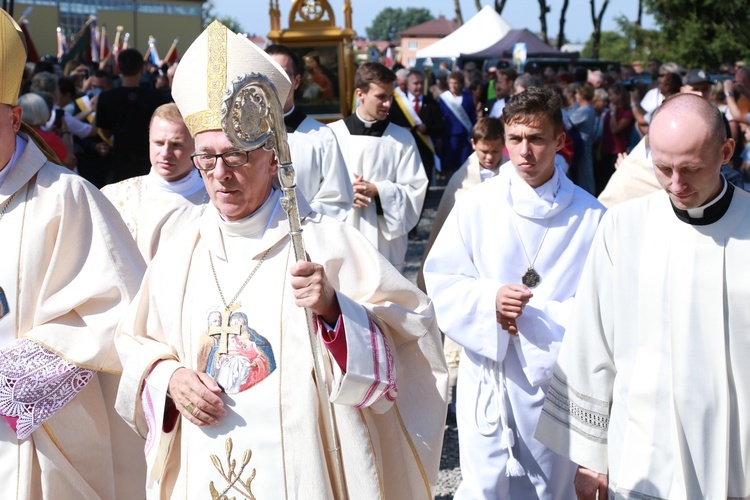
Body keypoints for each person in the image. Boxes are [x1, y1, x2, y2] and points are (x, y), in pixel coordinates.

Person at [114, 21, 448, 499]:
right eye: (206, 159)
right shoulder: (180, 250)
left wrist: (335, 312)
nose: (220, 175)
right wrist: (169, 377)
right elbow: (136, 343)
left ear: (273, 158)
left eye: (236, 156)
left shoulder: (325, 245)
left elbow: (415, 332)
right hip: (199, 468)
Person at [536, 93, 750, 499]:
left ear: (725, 152)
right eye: (663, 167)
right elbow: (592, 342)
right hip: (644, 446)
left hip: (736, 448)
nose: (675, 184)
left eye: (690, 169)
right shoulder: (623, 227)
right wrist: (591, 457)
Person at [424, 87, 605, 499]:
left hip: (558, 387)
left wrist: (536, 318)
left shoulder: (592, 216)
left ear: (559, 141)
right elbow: (443, 279)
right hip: (490, 379)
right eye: (515, 139)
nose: (525, 151)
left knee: (552, 489)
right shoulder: (475, 205)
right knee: (485, 487)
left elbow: (606, 308)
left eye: (537, 139)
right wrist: (489, 301)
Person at [0, 10, 147, 498]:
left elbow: (124, 309)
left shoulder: (66, 196)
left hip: (37, 429)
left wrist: (12, 378)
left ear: (15, 117)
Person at [417, 117, 507, 395]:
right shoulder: (461, 180)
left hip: (501, 260)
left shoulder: (512, 174)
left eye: (495, 151)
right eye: (484, 152)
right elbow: (446, 226)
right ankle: (461, 389)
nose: (490, 158)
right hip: (469, 262)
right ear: (473, 146)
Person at [329, 62, 428, 271]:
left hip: (384, 241)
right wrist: (345, 193)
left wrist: (379, 190)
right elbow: (314, 189)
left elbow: (415, 190)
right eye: (381, 97)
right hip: (342, 235)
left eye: (391, 97)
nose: (388, 104)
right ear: (360, 93)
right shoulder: (332, 135)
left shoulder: (402, 138)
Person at [102, 103, 208, 263]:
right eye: (158, 143)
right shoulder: (113, 196)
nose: (165, 153)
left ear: (196, 146)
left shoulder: (214, 203)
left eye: (176, 145)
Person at [265, 44, 353, 220]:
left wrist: (296, 218)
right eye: (268, 73)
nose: (275, 82)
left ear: (296, 81)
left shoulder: (321, 137)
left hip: (305, 236)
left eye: (282, 74)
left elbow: (337, 199)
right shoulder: (242, 136)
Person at [96, 48, 170, 184]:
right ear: (142, 68)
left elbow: (105, 132)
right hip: (149, 158)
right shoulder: (155, 97)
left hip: (121, 157)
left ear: (118, 68)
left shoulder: (106, 97)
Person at [388, 69, 444, 186]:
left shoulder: (431, 103)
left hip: (425, 151)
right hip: (403, 149)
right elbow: (390, 123)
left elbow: (440, 127)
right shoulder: (397, 103)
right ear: (407, 84)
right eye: (415, 83)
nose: (419, 86)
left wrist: (427, 128)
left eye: (421, 83)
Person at [438, 70, 477, 180]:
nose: (453, 86)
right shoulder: (444, 98)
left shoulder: (468, 97)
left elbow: (472, 116)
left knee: (464, 162)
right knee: (450, 163)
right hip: (449, 135)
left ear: (461, 84)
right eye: (451, 83)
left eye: (456, 83)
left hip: (465, 135)